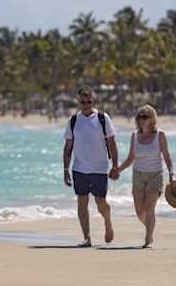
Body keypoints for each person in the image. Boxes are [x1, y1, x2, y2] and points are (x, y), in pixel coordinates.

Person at [63, 85, 119, 247]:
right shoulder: (73, 121)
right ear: (78, 101)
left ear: (93, 100)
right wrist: (65, 170)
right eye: (83, 101)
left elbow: (112, 143)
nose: (86, 104)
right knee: (82, 202)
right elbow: (67, 147)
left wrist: (115, 166)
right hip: (79, 168)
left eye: (89, 101)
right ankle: (87, 238)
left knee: (101, 202)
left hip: (99, 168)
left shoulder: (103, 118)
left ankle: (107, 222)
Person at [116, 104, 176, 248]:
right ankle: (150, 226)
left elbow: (167, 156)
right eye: (140, 117)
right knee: (139, 212)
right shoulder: (134, 135)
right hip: (138, 175)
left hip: (156, 174)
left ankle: (148, 239)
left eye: (145, 117)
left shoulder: (159, 135)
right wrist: (117, 170)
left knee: (149, 209)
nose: (142, 120)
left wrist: (172, 174)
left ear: (152, 119)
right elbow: (130, 158)